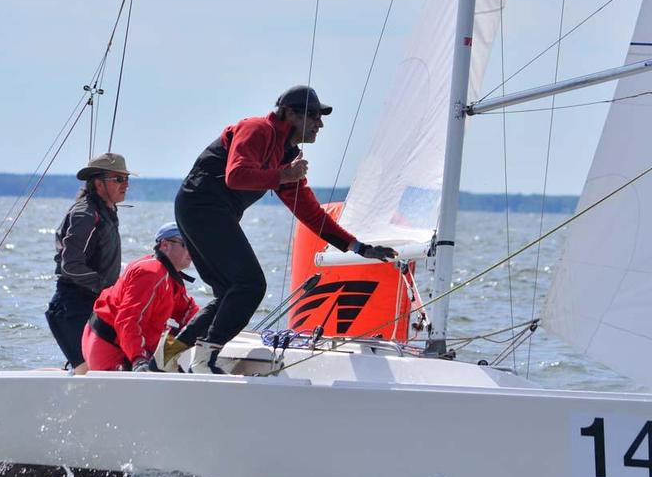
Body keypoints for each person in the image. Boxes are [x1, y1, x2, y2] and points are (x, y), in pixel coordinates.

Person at [172, 85, 396, 374]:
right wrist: (283, 175)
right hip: (200, 206)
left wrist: (359, 248)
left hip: (204, 211)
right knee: (250, 286)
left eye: (321, 117)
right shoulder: (256, 130)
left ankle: (166, 356)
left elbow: (311, 214)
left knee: (230, 292)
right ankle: (205, 360)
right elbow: (236, 175)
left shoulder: (288, 155)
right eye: (313, 115)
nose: (320, 123)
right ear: (289, 113)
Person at [45, 152, 132, 374]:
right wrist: (106, 288)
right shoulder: (85, 214)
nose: (126, 185)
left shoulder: (108, 210)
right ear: (98, 183)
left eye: (127, 179)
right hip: (72, 307)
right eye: (119, 179)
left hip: (95, 305)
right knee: (90, 372)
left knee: (109, 368)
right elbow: (70, 265)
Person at [82, 223, 199, 372]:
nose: (192, 250)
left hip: (131, 343)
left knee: (187, 341)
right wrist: (138, 359)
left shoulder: (169, 276)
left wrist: (212, 327)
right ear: (165, 245)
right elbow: (128, 320)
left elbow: (186, 311)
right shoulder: (150, 273)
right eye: (186, 244)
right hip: (111, 348)